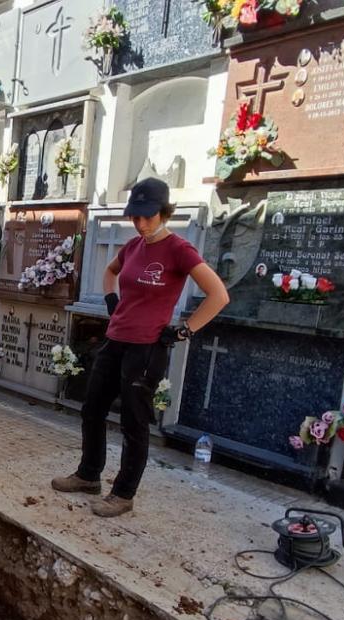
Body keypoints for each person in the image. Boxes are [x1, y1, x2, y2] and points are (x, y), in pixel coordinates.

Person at [52, 178, 230, 517]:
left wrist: (183, 331)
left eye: (147, 216)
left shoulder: (179, 250)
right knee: (92, 410)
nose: (140, 223)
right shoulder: (133, 247)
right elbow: (111, 271)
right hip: (116, 339)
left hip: (147, 348)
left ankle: (123, 493)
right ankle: (89, 475)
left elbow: (219, 295)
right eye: (135, 216)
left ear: (164, 212)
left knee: (134, 423)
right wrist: (110, 298)